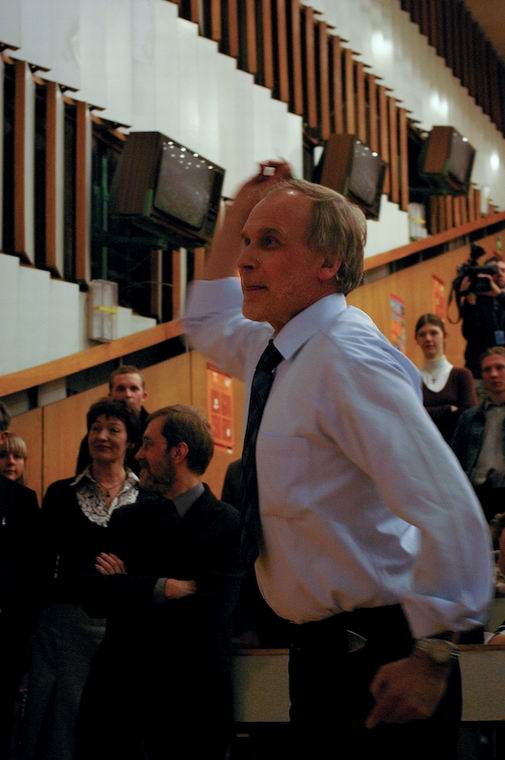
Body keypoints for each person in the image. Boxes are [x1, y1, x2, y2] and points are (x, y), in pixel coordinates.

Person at [183, 163, 492, 760]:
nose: (244, 260)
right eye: (246, 242)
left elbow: (448, 507)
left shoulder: (349, 359)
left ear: (327, 262)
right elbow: (206, 321)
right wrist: (238, 209)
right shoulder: (276, 348)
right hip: (321, 657)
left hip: (383, 665)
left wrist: (432, 655)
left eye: (268, 242)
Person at [75, 405, 241, 760]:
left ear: (178, 452)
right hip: (119, 697)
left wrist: (128, 587)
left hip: (191, 702)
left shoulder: (227, 523)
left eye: (149, 444)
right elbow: (93, 593)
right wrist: (161, 587)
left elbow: (212, 611)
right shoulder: (128, 519)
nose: (138, 454)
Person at [21, 398, 140, 760]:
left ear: (131, 441)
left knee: (117, 722)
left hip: (125, 625)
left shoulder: (148, 498)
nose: (101, 436)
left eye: (113, 429)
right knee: (63, 724)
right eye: (95, 428)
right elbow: (40, 564)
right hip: (66, 625)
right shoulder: (61, 493)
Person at [0, 404, 40, 759]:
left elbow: (31, 573)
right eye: (4, 456)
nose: (10, 462)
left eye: (16, 456)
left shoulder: (25, 501)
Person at [452, 347, 505, 523]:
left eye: (500, 367)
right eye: (487, 370)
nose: (494, 374)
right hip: (477, 495)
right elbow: (456, 462)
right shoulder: (469, 418)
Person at [75, 364, 148, 475]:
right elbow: (82, 477)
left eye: (134, 389)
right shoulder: (94, 437)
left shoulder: (155, 430)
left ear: (144, 396)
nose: (128, 394)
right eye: (121, 389)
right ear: (110, 395)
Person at [414, 313, 477, 442]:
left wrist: (425, 412)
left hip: (456, 449)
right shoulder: (412, 377)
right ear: (417, 340)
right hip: (422, 448)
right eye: (422, 334)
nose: (428, 338)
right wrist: (447, 410)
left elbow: (470, 417)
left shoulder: (462, 375)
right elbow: (410, 415)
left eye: (433, 333)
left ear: (445, 336)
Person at [460, 256, 505, 380]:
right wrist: (470, 304)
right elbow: (469, 334)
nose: (499, 274)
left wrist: (499, 295)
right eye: (494, 271)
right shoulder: (475, 300)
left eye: (503, 270)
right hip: (479, 370)